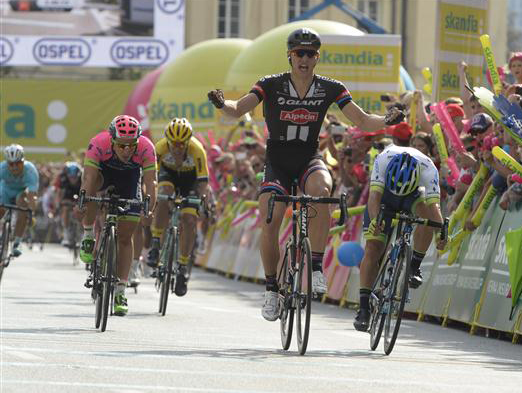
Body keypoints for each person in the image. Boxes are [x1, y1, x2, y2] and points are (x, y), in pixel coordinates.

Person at [207, 27, 404, 321]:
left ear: (317, 58)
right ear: (290, 55)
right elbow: (239, 109)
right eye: (299, 52)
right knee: (270, 219)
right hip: (277, 162)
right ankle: (272, 289)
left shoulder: (330, 87)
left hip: (309, 158)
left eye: (310, 53)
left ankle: (314, 265)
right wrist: (223, 103)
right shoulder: (270, 84)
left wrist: (387, 121)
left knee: (322, 193)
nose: (305, 58)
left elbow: (362, 119)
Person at [353, 145, 444, 331]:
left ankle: (414, 266)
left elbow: (435, 209)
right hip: (385, 195)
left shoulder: (428, 168)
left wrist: (441, 233)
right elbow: (374, 197)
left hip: (413, 195)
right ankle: (363, 309)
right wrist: (376, 223)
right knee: (373, 248)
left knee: (427, 219)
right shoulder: (383, 159)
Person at [78, 115, 156, 316]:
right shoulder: (98, 143)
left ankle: (121, 291)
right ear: (112, 140)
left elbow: (150, 183)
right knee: (92, 189)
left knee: (125, 236)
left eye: (132, 145)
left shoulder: (146, 148)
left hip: (129, 181)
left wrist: (149, 209)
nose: (127, 150)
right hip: (103, 175)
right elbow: (88, 178)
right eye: (121, 146)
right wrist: (83, 202)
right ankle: (88, 235)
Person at [147, 117, 209, 296]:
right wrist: (152, 195)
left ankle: (182, 265)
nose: (177, 147)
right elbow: (151, 176)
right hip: (168, 175)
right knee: (164, 194)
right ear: (168, 140)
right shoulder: (159, 148)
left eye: (182, 144)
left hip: (190, 181)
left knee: (189, 219)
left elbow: (203, 181)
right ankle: (156, 242)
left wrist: (202, 199)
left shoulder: (197, 150)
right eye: (174, 143)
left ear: (188, 141)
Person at [0, 144, 38, 257]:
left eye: (18, 163)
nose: (15, 167)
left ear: (23, 161)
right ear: (7, 163)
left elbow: (32, 196)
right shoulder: (2, 168)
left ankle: (17, 242)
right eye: (11, 164)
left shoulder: (30, 171)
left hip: (21, 192)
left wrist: (31, 213)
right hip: (5, 191)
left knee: (23, 207)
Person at [54, 161, 82, 245]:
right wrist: (59, 204)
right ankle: (66, 233)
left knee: (82, 210)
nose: (73, 180)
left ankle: (81, 234)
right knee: (65, 208)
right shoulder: (63, 178)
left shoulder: (82, 178)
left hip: (79, 193)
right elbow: (59, 193)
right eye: (71, 177)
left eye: (75, 178)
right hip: (68, 195)